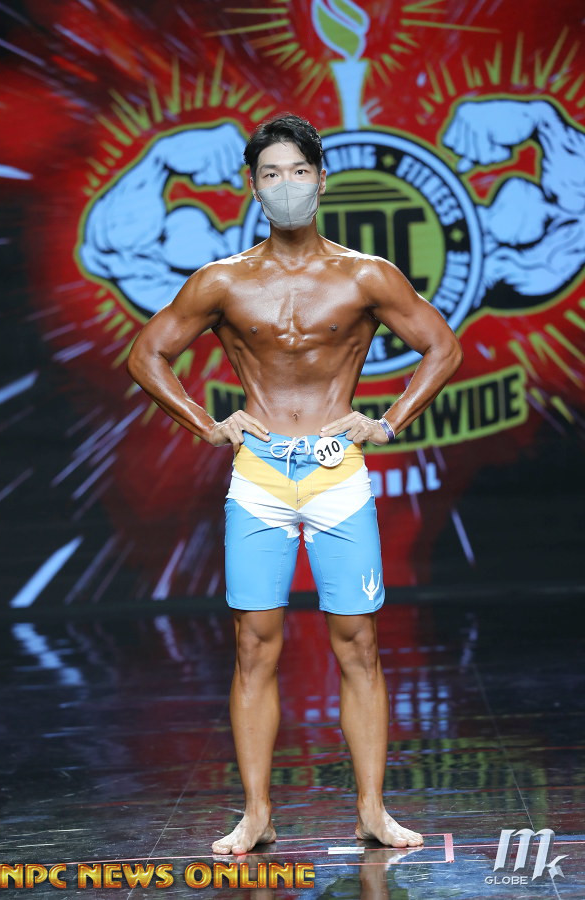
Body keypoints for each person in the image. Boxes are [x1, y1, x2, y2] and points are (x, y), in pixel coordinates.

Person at [126, 112, 463, 855]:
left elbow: (442, 346)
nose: (287, 185)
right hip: (259, 477)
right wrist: (206, 423)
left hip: (338, 473)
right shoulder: (222, 282)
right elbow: (146, 355)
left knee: (358, 644)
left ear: (321, 180)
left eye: (299, 171)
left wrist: (388, 422)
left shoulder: (365, 275)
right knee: (255, 646)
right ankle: (257, 814)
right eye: (272, 173)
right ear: (252, 186)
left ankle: (372, 811)